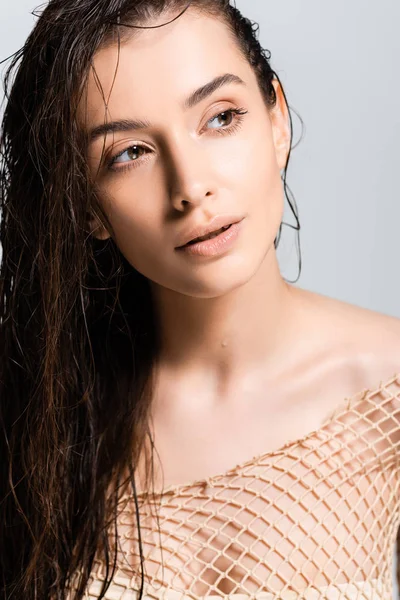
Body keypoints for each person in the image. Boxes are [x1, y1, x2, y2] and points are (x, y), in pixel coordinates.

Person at [1, 0, 400, 598]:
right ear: (86, 207)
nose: (191, 187)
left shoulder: (387, 394)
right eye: (128, 153)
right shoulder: (35, 422)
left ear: (277, 120)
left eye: (220, 118)